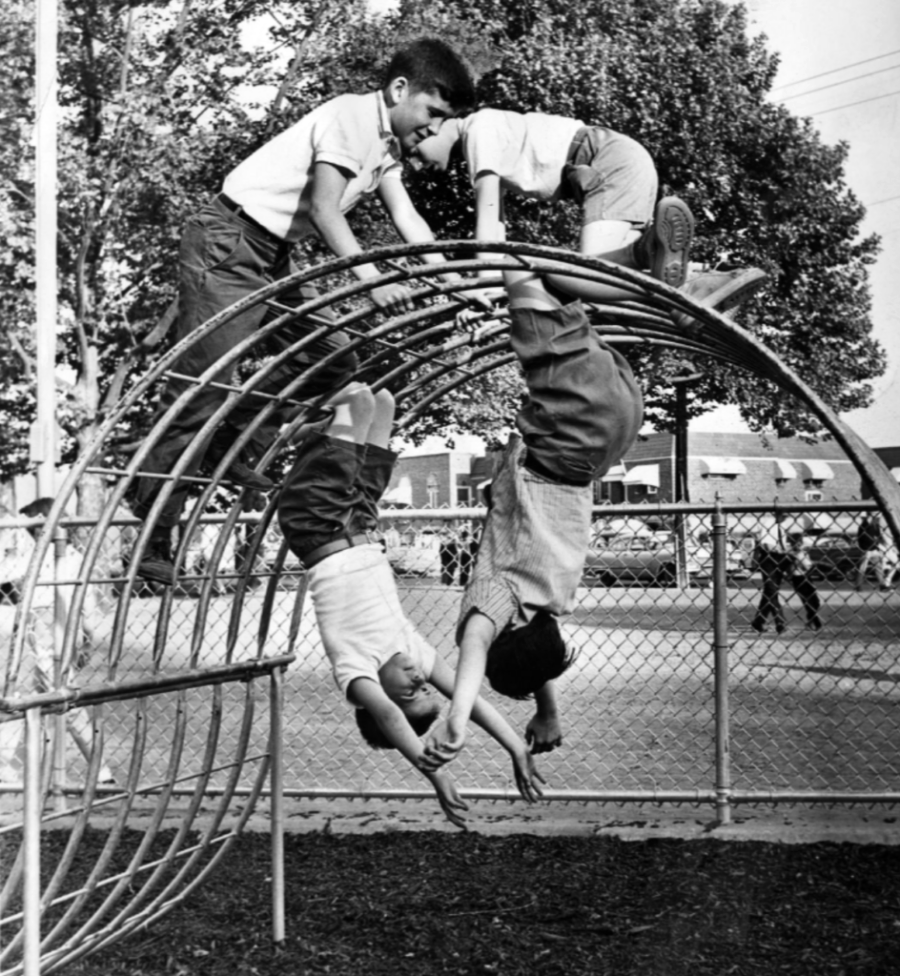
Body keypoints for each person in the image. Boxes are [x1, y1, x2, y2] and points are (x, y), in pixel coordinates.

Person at [131, 38, 479, 586]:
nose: (434, 129)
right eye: (433, 113)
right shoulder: (349, 117)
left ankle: (240, 434)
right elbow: (323, 208)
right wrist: (371, 278)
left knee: (333, 359)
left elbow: (408, 219)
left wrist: (456, 284)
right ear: (398, 89)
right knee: (202, 391)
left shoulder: (384, 148)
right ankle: (153, 539)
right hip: (228, 242)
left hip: (269, 255)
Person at [276, 388, 544, 827]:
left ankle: (295, 426)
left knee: (358, 402)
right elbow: (467, 697)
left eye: (411, 693)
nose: (422, 680)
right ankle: (316, 426)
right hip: (360, 519)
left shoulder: (355, 669)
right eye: (426, 690)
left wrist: (435, 775)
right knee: (383, 401)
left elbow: (386, 717)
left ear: (377, 698)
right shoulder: (412, 652)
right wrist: (515, 745)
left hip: (315, 522)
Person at [418, 258, 648, 770]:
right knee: (522, 276)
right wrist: (457, 720)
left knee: (560, 298)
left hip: (613, 429)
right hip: (570, 431)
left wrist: (548, 712)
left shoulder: (550, 604)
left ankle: (642, 277)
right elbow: (476, 648)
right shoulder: (498, 597)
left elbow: (530, 655)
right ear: (502, 631)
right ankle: (651, 279)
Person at [408, 108, 768, 324]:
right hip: (618, 163)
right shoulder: (492, 129)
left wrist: (482, 288)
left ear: (439, 121)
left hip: (604, 162)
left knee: (584, 272)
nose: (414, 161)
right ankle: (705, 282)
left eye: (414, 146)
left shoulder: (477, 127)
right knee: (616, 278)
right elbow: (498, 222)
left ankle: (685, 277)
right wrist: (492, 288)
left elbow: (487, 213)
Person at [1, 498, 112, 784]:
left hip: (46, 626)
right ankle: (14, 771)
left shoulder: (40, 554)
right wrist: (87, 638)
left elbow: (4, 573)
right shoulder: (71, 554)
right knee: (33, 703)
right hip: (58, 626)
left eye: (30, 523)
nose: (25, 530)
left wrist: (9, 540)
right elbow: (86, 604)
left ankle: (100, 770)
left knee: (55, 699)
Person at [750, 517, 789, 635]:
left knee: (770, 592)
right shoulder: (770, 523)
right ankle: (780, 622)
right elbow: (766, 545)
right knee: (772, 590)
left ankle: (758, 621)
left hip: (779, 558)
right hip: (770, 558)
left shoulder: (782, 525)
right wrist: (780, 551)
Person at [786, 530, 822, 632]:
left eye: (799, 542)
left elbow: (808, 565)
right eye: (795, 542)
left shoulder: (803, 553)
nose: (797, 544)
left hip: (807, 577)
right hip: (798, 579)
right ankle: (816, 623)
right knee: (808, 602)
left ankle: (810, 621)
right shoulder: (792, 554)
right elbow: (793, 569)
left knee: (815, 602)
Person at [856, 513, 887, 590]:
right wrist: (863, 548)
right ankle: (858, 585)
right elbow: (861, 539)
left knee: (877, 568)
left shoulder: (874, 526)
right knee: (863, 568)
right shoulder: (863, 526)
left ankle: (882, 585)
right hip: (867, 550)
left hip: (873, 550)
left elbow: (878, 536)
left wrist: (877, 546)